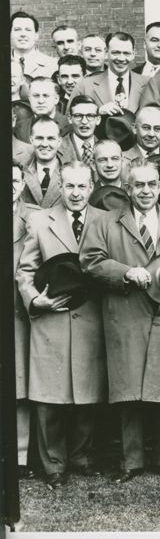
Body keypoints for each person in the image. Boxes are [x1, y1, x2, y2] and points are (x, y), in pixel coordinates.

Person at [79, 160, 160, 481]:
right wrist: (125, 272)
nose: (146, 191)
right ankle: (130, 462)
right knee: (129, 392)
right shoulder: (106, 223)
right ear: (127, 189)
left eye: (152, 184)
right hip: (127, 313)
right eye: (139, 185)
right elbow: (91, 262)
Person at [17, 161, 107, 485]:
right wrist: (33, 299)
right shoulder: (40, 221)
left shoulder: (105, 220)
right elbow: (25, 271)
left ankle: (81, 457)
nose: (75, 193)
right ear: (60, 184)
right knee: (50, 400)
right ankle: (53, 464)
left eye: (82, 186)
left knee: (87, 395)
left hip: (91, 320)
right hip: (51, 319)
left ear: (92, 187)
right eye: (69, 186)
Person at [12, 163, 38, 478]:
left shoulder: (34, 216)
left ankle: (19, 455)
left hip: (18, 310)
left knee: (19, 384)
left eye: (15, 180)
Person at [24, 116, 64, 208]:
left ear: (59, 142)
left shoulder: (71, 173)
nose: (45, 144)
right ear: (31, 140)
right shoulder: (21, 172)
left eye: (50, 138)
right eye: (39, 138)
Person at [15, 77, 70, 142]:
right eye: (36, 96)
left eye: (46, 96)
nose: (40, 101)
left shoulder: (70, 126)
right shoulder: (18, 128)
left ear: (56, 99)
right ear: (29, 99)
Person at [12, 11, 58, 85]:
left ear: (36, 35)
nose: (23, 34)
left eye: (28, 30)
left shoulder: (53, 65)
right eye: (17, 29)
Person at [58, 95, 102, 166]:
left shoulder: (107, 149)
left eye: (90, 116)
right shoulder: (57, 148)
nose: (84, 122)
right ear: (69, 118)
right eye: (78, 116)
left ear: (98, 120)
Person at [123, 105, 160, 170]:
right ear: (134, 128)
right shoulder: (122, 160)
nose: (151, 134)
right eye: (146, 128)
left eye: (157, 129)